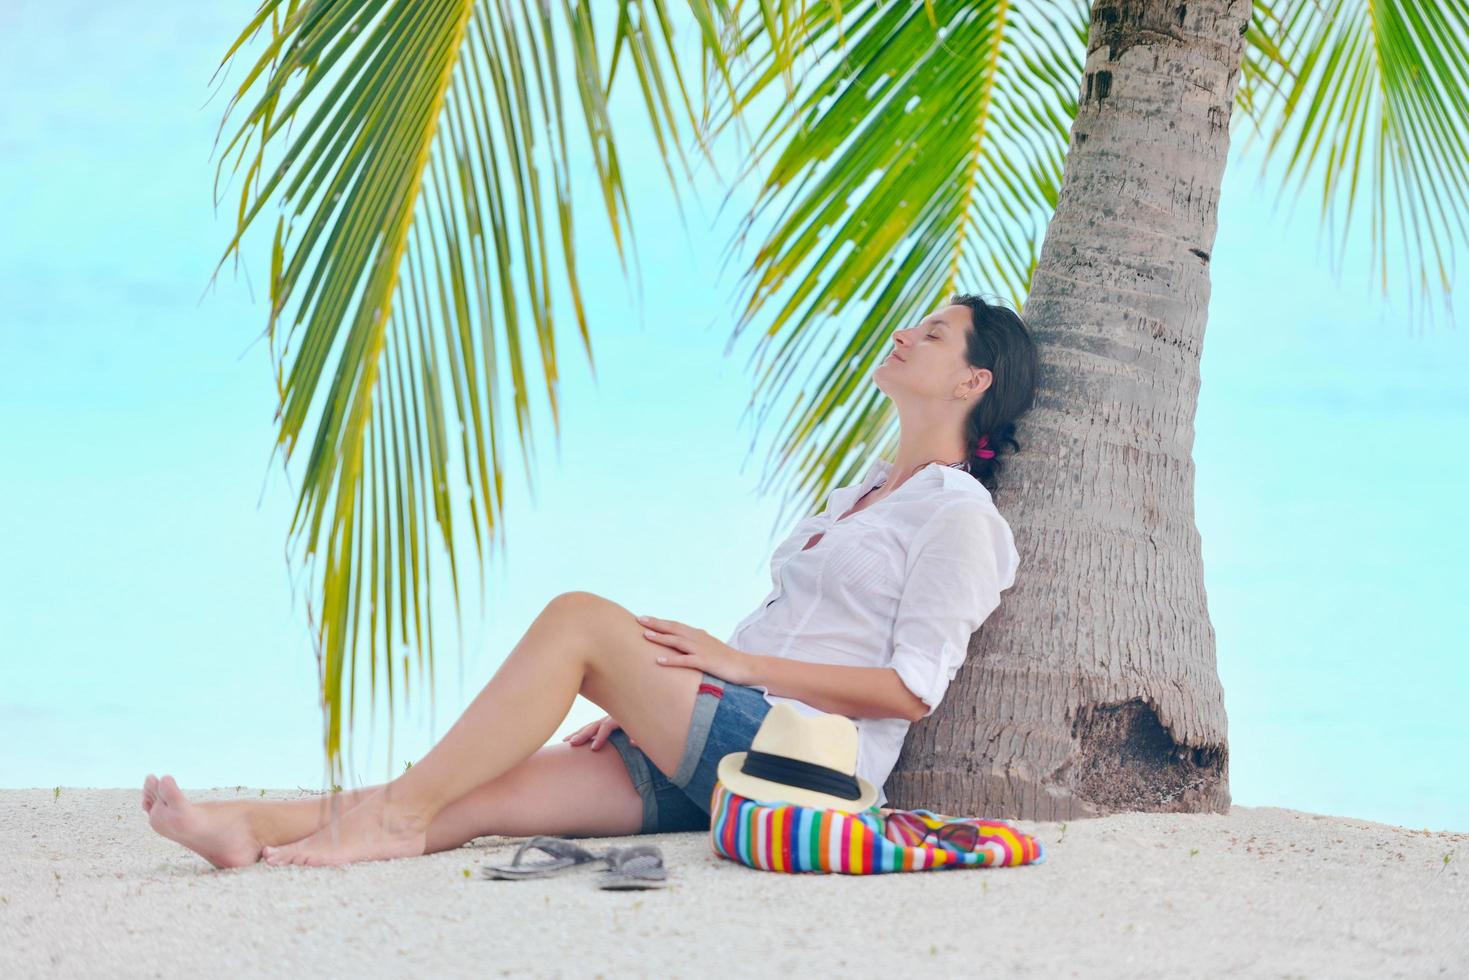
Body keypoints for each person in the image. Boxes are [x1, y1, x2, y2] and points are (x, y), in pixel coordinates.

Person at [141, 292, 1040, 868]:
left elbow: (911, 690)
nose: (903, 335)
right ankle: (247, 828)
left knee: (578, 618)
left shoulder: (956, 517)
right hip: (718, 743)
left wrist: (728, 668)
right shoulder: (852, 499)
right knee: (479, 794)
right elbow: (777, 634)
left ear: (972, 378)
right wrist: (651, 696)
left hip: (793, 758)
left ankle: (388, 818)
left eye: (931, 334)